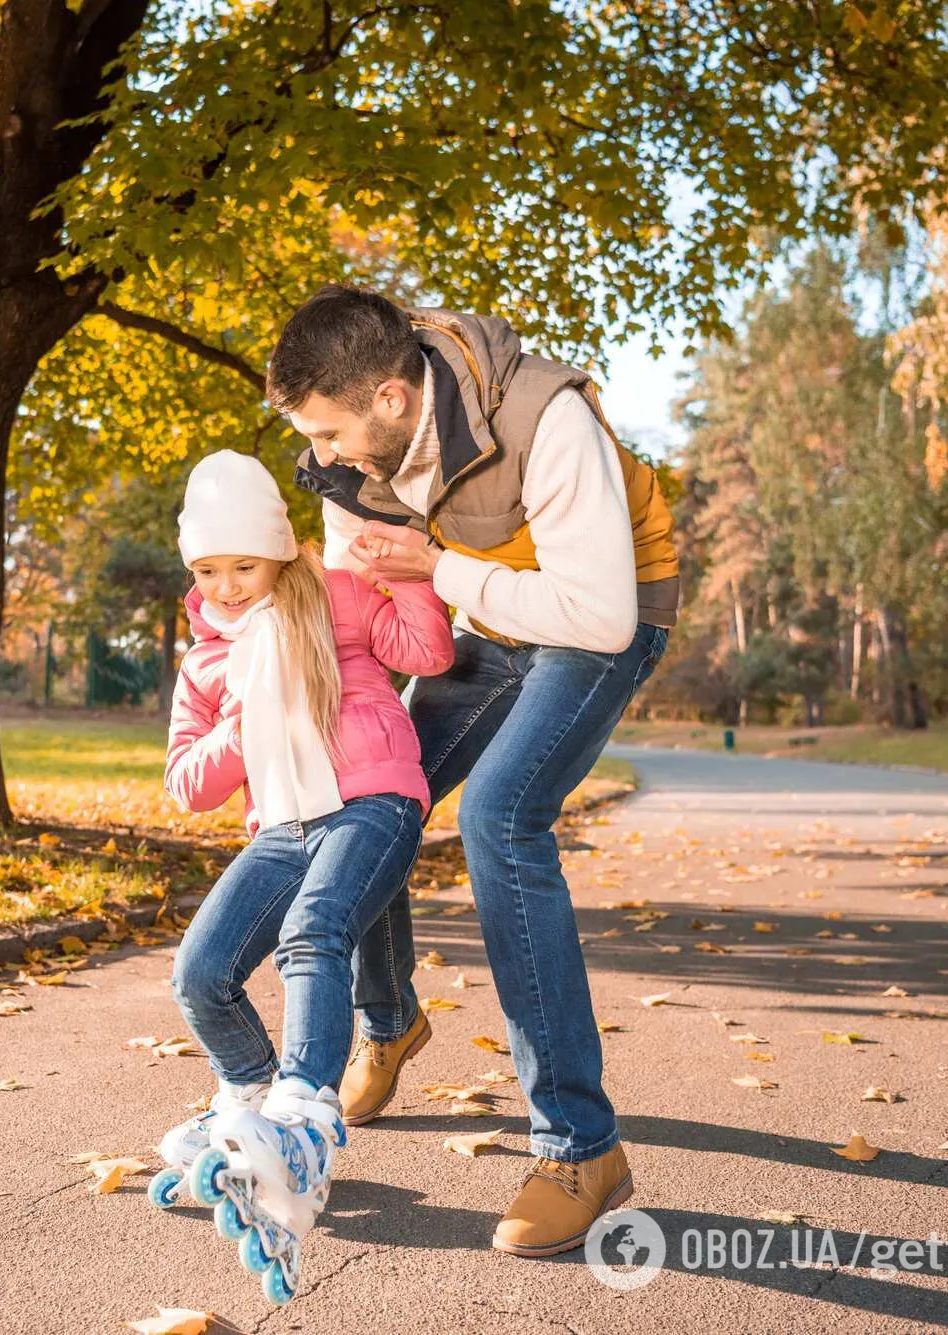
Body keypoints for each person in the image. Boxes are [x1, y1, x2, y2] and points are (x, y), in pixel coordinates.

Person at [265, 285, 679, 1258]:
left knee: (499, 818)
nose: (317, 456)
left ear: (391, 401)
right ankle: (389, 1020)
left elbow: (597, 617)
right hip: (483, 619)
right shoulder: (347, 464)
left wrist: (434, 571)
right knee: (366, 795)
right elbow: (358, 610)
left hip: (599, 618)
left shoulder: (546, 416)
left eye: (327, 431)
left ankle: (580, 1147)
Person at [149, 449, 454, 1302]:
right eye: (209, 569)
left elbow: (427, 650)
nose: (229, 584)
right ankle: (247, 1098)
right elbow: (185, 783)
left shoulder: (337, 593)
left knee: (311, 933)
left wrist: (404, 571)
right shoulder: (207, 662)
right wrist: (241, 717)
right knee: (200, 973)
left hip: (373, 801)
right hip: (280, 824)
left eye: (244, 564)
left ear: (280, 552)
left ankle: (303, 1117)